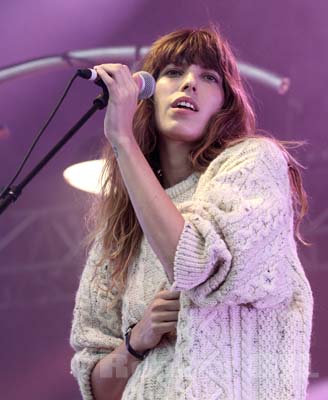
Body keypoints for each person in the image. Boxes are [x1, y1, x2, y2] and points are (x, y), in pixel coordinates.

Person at [69, 27, 313, 400]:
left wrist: (122, 140)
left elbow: (196, 263)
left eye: (208, 77)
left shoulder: (255, 164)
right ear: (146, 95)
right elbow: (100, 388)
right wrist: (137, 341)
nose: (189, 84)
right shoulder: (120, 233)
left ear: (226, 103)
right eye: (172, 72)